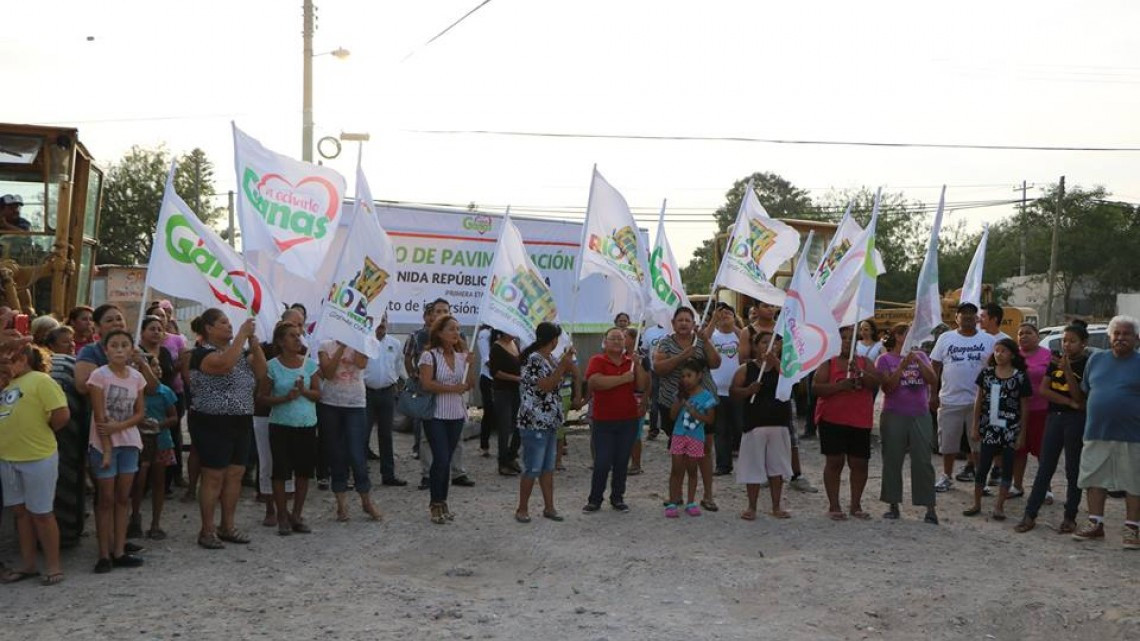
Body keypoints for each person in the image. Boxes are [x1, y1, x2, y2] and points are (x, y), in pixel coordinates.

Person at [187, 310, 266, 550]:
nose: (229, 326)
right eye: (223, 322)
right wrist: (242, 335)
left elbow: (262, 372)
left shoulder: (241, 353)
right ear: (209, 328)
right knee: (213, 476)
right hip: (212, 421)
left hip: (240, 419)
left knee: (235, 475)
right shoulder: (201, 353)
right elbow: (222, 365)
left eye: (231, 323)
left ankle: (227, 526)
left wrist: (253, 343)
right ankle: (207, 529)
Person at [0, 344, 69, 585]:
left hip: (37, 456)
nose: (5, 362)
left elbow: (61, 413)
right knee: (20, 514)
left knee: (41, 513)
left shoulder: (41, 380)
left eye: (10, 358)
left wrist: (41, 432)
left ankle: (53, 565)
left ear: (23, 359)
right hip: (8, 458)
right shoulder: (6, 383)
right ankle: (28, 564)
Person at [1071, 315, 1140, 549]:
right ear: (1110, 337)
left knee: (1134, 482)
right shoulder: (1096, 360)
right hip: (1096, 431)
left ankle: (1132, 529)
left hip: (1133, 434)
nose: (1120, 338)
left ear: (1137, 339)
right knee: (1094, 479)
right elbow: (1087, 391)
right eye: (1116, 334)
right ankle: (1095, 524)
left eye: (1126, 334)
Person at [1016, 322, 1090, 534]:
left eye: (1072, 341)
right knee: (1045, 468)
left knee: (1072, 470)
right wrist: (1068, 402)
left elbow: (1079, 397)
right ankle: (1030, 514)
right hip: (1054, 417)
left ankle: (1070, 517)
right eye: (1065, 340)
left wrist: (1067, 371)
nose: (1067, 345)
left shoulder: (1085, 364)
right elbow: (1044, 390)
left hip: (1075, 421)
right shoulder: (1055, 361)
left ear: (1083, 343)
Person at [87, 329, 147, 573]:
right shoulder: (98, 376)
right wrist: (108, 449)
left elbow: (140, 412)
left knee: (123, 499)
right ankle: (103, 554)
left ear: (131, 349)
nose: (120, 349)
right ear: (106, 349)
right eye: (114, 345)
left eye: (124, 345)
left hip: (129, 443)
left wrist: (119, 427)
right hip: (103, 445)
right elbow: (100, 418)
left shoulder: (136, 378)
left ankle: (119, 550)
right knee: (106, 500)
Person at [654, 307, 721, 511]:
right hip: (674, 402)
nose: (684, 323)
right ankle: (676, 495)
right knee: (678, 450)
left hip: (703, 401)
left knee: (705, 450)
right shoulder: (665, 343)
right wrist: (683, 356)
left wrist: (705, 341)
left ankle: (707, 495)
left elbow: (716, 363)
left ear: (693, 323)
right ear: (673, 323)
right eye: (680, 320)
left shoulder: (701, 341)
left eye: (687, 320)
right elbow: (659, 368)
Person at [812, 325, 881, 520]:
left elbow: (875, 383)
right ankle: (834, 505)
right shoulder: (828, 363)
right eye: (844, 338)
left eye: (852, 338)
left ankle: (856, 505)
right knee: (834, 461)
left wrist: (860, 372)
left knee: (859, 463)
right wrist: (839, 386)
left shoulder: (865, 362)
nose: (847, 342)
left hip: (859, 419)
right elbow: (816, 388)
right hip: (832, 419)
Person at [261, 322, 322, 535]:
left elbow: (318, 394)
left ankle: (297, 514)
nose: (297, 339)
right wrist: (285, 398)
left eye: (299, 335)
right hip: (281, 425)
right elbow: (262, 398)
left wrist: (303, 391)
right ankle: (282, 515)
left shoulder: (310, 364)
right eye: (292, 336)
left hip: (306, 424)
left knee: (303, 472)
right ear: (280, 341)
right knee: (281, 472)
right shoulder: (272, 366)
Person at [515, 322, 579, 522]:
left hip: (550, 420)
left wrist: (567, 364)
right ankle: (522, 508)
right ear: (553, 340)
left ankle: (549, 507)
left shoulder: (550, 358)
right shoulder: (534, 360)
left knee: (547, 467)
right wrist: (563, 366)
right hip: (534, 420)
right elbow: (546, 386)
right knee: (533, 466)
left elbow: (573, 376)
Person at [406, 299, 474, 488]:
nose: (443, 313)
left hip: (455, 405)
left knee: (456, 439)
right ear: (432, 314)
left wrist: (470, 365)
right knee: (428, 440)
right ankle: (428, 474)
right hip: (432, 403)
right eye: (439, 310)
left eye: (446, 310)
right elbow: (410, 359)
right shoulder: (420, 336)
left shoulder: (460, 340)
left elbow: (467, 379)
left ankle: (457, 472)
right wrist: (414, 375)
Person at [876, 323, 939, 524]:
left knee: (923, 460)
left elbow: (932, 379)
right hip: (894, 414)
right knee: (893, 459)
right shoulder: (885, 359)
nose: (907, 336)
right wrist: (902, 366)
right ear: (895, 336)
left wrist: (918, 362)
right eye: (904, 333)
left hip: (919, 414)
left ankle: (929, 506)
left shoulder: (921, 355)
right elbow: (888, 387)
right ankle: (893, 503)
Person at [930, 302, 996, 491]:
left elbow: (995, 367)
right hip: (950, 400)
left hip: (979, 402)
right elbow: (934, 366)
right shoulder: (945, 338)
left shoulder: (988, 340)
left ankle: (979, 478)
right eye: (963, 313)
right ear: (956, 317)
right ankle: (946, 476)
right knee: (948, 442)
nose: (967, 317)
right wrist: (932, 394)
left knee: (978, 444)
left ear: (976, 318)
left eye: (971, 314)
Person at [419, 314, 478, 524]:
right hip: (436, 414)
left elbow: (469, 384)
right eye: (451, 329)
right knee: (441, 459)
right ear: (440, 332)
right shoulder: (429, 356)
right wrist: (453, 389)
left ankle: (443, 501)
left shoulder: (462, 356)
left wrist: (471, 365)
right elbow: (427, 384)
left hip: (456, 414)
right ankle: (435, 503)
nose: (456, 333)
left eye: (457, 329)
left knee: (447, 459)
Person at [964, 338, 1031, 520]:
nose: (999, 354)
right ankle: (976, 503)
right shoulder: (986, 374)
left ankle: (999, 506)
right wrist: (975, 426)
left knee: (1006, 468)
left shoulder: (1020, 377)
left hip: (1010, 429)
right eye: (997, 350)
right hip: (989, 428)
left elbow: (1024, 407)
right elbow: (979, 401)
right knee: (982, 466)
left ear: (1012, 354)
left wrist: (1022, 434)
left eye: (1003, 351)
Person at [730, 330, 793, 520]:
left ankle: (776, 506)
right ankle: (752, 506)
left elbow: (791, 385)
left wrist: (776, 364)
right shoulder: (746, 369)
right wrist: (748, 390)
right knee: (752, 467)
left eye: (772, 342)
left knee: (777, 468)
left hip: (779, 423)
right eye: (764, 342)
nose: (768, 346)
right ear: (756, 346)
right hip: (755, 424)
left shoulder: (783, 368)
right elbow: (733, 392)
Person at [317, 338, 381, 522]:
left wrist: (355, 341)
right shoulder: (325, 345)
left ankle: (366, 500)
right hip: (330, 404)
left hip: (355, 404)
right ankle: (341, 504)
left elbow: (361, 364)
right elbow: (328, 373)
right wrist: (341, 347)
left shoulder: (363, 342)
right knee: (336, 454)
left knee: (356, 453)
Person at [585, 327, 646, 513]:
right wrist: (622, 379)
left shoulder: (631, 362)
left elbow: (641, 386)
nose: (618, 342)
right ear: (605, 341)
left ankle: (617, 497)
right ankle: (595, 499)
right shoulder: (597, 360)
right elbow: (595, 383)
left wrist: (639, 366)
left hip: (628, 419)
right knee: (602, 461)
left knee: (621, 461)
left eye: (621, 338)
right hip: (603, 420)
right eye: (613, 338)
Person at [128, 354, 178, 541]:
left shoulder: (164, 392)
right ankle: (135, 518)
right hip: (139, 442)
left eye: (157, 365)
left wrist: (159, 425)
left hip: (161, 442)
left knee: (159, 484)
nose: (156, 369)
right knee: (138, 483)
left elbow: (173, 417)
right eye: (151, 366)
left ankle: (155, 523)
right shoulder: (133, 391)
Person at [665, 360, 717, 518]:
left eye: (689, 375)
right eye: (683, 376)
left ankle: (691, 502)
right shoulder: (679, 394)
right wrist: (679, 401)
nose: (686, 379)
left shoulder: (707, 396)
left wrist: (697, 415)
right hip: (679, 435)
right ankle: (673, 501)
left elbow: (710, 420)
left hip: (696, 437)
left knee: (692, 469)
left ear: (699, 376)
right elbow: (672, 416)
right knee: (676, 468)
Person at [363, 315, 408, 486]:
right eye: (377, 319)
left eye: (384, 319)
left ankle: (388, 474)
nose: (381, 323)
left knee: (386, 435)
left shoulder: (394, 343)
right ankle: (360, 474)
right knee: (363, 434)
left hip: (387, 393)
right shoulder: (364, 342)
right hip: (366, 393)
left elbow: (397, 366)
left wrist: (394, 382)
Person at [1010, 323, 1051, 498]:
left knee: (1043, 451)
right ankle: (1017, 486)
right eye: (1020, 333)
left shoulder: (1047, 356)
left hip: (1041, 411)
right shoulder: (1012, 356)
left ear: (1037, 336)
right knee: (1019, 450)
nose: (1023, 336)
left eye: (1028, 333)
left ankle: (1046, 488)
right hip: (1017, 411)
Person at [709, 303, 743, 477]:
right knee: (721, 430)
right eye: (722, 313)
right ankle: (723, 465)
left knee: (741, 428)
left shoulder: (739, 335)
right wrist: (714, 319)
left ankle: (747, 464)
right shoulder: (713, 336)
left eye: (729, 313)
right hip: (718, 391)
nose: (725, 315)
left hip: (738, 390)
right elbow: (702, 340)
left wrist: (734, 326)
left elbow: (748, 339)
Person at [488, 329, 522, 476]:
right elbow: (495, 372)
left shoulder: (515, 344)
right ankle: (502, 462)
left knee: (520, 424)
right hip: (502, 391)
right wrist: (516, 378)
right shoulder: (497, 347)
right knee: (505, 427)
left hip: (516, 391)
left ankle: (512, 455)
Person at [640, 322, 668, 440]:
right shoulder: (649, 331)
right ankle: (653, 429)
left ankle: (670, 429)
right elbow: (644, 350)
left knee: (671, 400)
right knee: (655, 401)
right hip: (654, 371)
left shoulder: (672, 330)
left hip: (670, 371)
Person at [475, 324, 497, 459]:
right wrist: (500, 371)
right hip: (489, 377)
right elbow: (486, 359)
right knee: (489, 411)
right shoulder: (485, 334)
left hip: (504, 378)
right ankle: (484, 445)